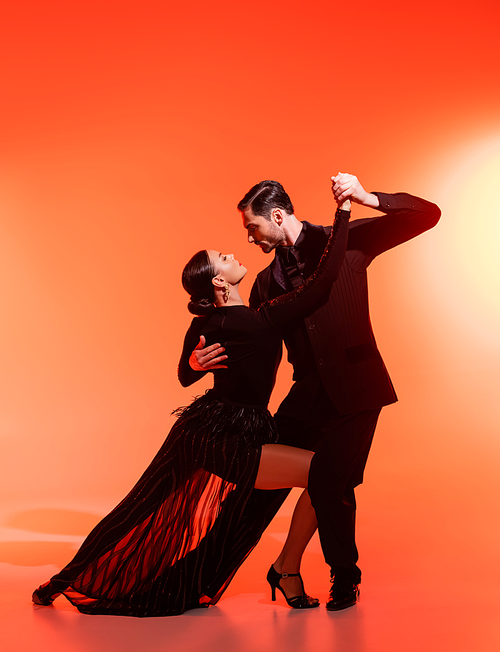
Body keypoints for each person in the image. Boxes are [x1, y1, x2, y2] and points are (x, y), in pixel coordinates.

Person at [31, 185, 351, 617]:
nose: (234, 254)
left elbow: (183, 376)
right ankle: (285, 568)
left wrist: (195, 364)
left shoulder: (225, 319)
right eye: (224, 257)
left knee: (141, 504)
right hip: (228, 437)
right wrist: (343, 214)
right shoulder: (258, 321)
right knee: (323, 475)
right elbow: (323, 284)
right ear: (220, 281)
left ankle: (58, 583)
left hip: (210, 429)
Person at [185, 173, 441, 611]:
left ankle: (344, 578)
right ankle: (204, 574)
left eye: (253, 228)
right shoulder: (264, 283)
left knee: (334, 485)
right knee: (258, 487)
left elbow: (427, 215)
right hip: (306, 396)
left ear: (277, 215)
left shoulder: (347, 241)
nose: (249, 239)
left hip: (358, 389)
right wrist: (196, 362)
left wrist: (365, 197)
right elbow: (251, 346)